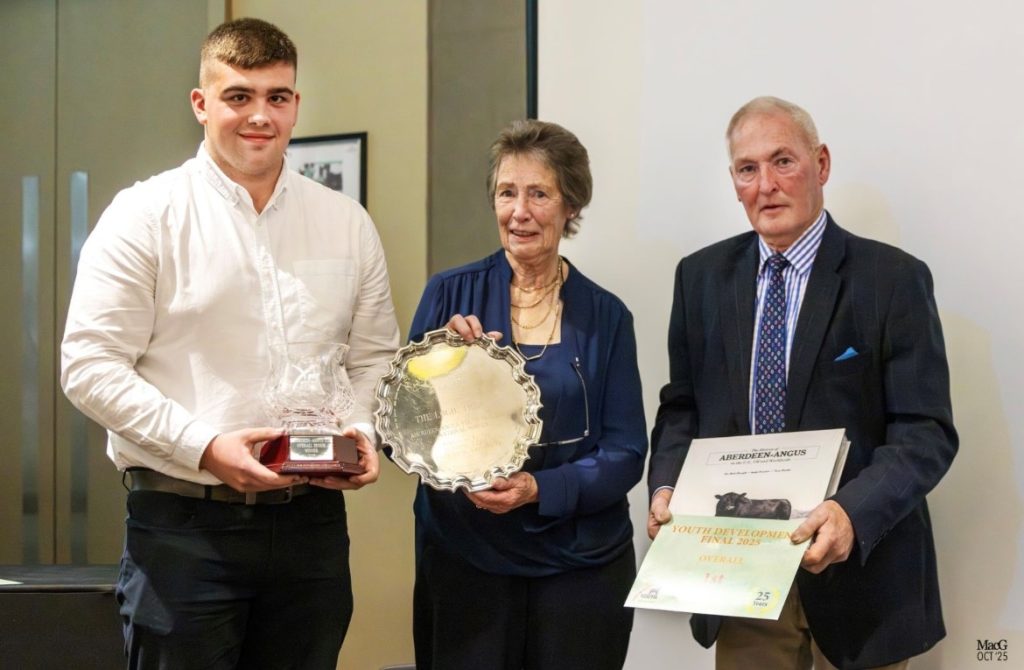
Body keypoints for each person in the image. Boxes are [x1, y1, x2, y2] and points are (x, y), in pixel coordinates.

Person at [60, 18, 399, 669]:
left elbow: (373, 357)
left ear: (296, 104)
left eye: (277, 97)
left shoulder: (346, 223)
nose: (260, 116)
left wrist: (360, 432)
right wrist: (205, 447)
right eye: (239, 96)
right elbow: (89, 366)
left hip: (312, 530)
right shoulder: (145, 215)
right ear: (201, 103)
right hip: (183, 527)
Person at [647, 96, 958, 670]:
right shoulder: (700, 278)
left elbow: (925, 432)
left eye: (782, 161)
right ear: (734, 182)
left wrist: (850, 514)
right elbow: (682, 408)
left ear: (821, 164)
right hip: (740, 580)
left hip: (861, 579)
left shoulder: (892, 279)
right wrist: (666, 486)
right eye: (747, 169)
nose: (765, 185)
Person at [409, 119, 647, 669]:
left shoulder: (607, 316)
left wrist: (539, 488)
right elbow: (407, 427)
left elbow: (625, 451)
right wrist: (446, 364)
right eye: (506, 193)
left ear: (571, 206)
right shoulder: (448, 296)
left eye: (539, 194)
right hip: (465, 561)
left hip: (580, 569)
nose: (519, 212)